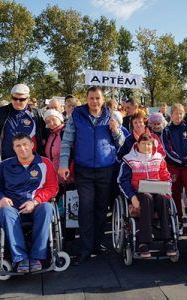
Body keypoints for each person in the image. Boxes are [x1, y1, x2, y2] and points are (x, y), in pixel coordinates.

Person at [58, 86, 125, 265]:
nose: (95, 101)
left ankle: (97, 244)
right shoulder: (76, 116)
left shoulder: (110, 116)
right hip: (84, 170)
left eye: (98, 98)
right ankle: (86, 248)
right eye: (91, 98)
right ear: (86, 99)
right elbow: (66, 142)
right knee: (86, 208)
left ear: (103, 100)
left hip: (106, 169)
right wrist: (63, 164)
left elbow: (121, 145)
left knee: (102, 208)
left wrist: (116, 131)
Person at [0, 133, 58, 273]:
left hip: (36, 206)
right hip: (13, 208)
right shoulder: (4, 166)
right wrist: (1, 198)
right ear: (13, 148)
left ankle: (38, 256)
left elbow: (52, 187)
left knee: (47, 208)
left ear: (32, 145)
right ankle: (20, 258)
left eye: (25, 144)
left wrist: (35, 201)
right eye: (18, 146)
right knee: (6, 212)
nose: (22, 148)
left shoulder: (44, 163)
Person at [118, 133, 176, 258]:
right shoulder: (129, 160)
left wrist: (167, 191)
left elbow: (167, 178)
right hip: (139, 194)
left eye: (149, 144)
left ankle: (168, 240)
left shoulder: (159, 158)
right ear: (138, 145)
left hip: (157, 191)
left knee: (163, 198)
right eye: (143, 144)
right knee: (146, 197)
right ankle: (143, 242)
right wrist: (132, 198)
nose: (146, 146)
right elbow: (122, 181)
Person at [0, 84, 47, 168]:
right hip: (6, 161)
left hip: (30, 163)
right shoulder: (1, 112)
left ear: (28, 99)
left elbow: (45, 135)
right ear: (11, 97)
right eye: (15, 98)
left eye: (22, 99)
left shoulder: (36, 114)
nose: (17, 102)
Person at [161, 103, 187, 232]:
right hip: (174, 167)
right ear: (171, 115)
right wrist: (184, 160)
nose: (178, 116)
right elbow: (168, 151)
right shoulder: (166, 131)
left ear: (184, 114)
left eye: (181, 113)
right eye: (176, 113)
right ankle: (179, 221)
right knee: (176, 195)